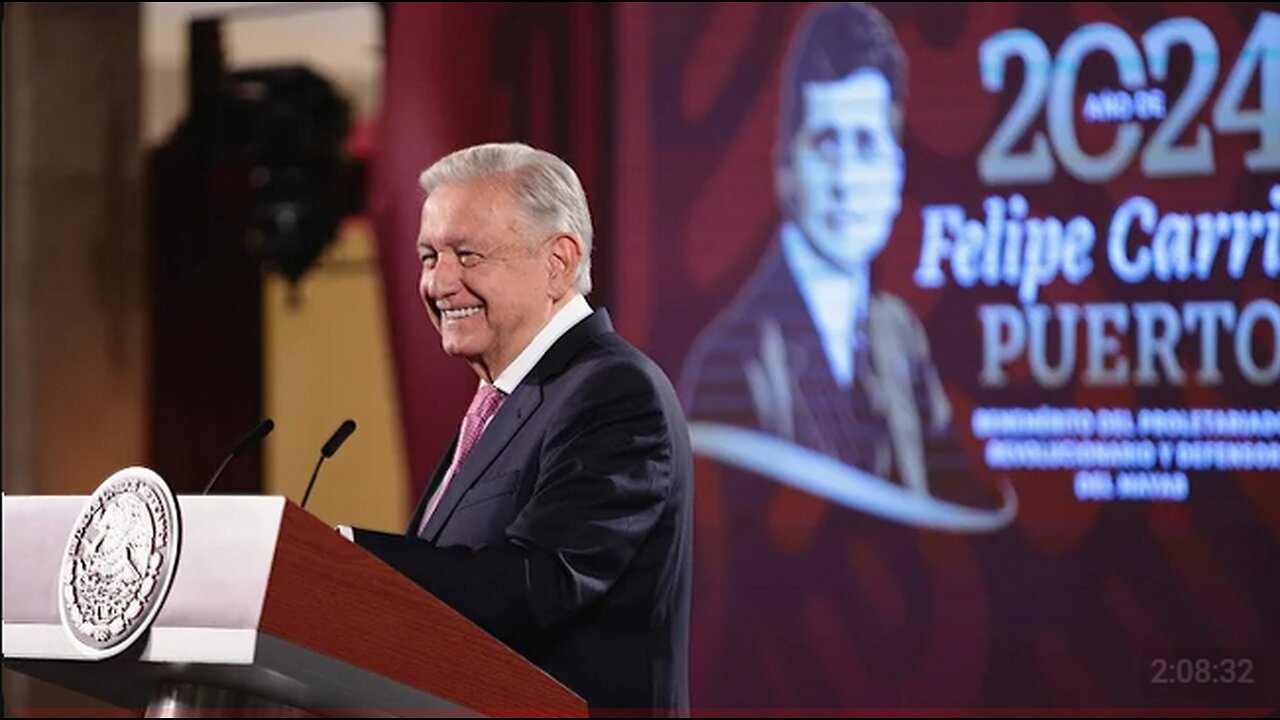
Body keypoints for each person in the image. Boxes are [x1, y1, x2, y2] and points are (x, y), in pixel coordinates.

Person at [350, 142, 693, 716]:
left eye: (469, 255)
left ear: (558, 262)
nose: (439, 284)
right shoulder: (506, 402)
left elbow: (542, 583)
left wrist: (347, 562)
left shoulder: (614, 393)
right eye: (429, 256)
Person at [680, 2, 952, 495]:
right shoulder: (734, 362)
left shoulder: (902, 339)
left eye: (867, 145)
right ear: (785, 166)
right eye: (827, 144)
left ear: (897, 170)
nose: (846, 181)